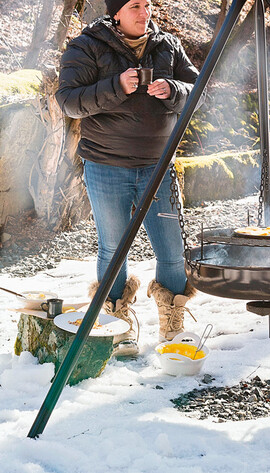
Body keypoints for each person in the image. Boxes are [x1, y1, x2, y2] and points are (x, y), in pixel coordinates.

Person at [56, 0, 201, 357]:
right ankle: (117, 325)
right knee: (113, 248)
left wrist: (174, 90)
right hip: (107, 166)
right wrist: (116, 86)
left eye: (148, 4)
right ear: (116, 12)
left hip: (159, 165)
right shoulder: (86, 46)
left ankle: (172, 326)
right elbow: (68, 102)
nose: (144, 12)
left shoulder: (167, 45)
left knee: (170, 249)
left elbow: (199, 89)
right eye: (134, 5)